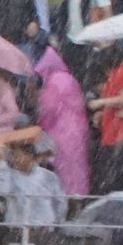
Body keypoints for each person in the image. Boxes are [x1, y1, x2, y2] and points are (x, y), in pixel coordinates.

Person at [0, 132, 67, 245]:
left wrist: (57, 224)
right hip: (16, 230)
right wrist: (1, 161)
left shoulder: (49, 176)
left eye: (18, 155)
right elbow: (3, 191)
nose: (15, 159)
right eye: (13, 155)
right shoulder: (8, 174)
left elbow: (60, 202)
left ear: (30, 156)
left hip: (43, 231)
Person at [34, 47, 90, 196]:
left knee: (63, 169)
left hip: (60, 131)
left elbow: (49, 109)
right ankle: (79, 197)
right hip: (77, 131)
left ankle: (66, 199)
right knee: (77, 167)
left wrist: (42, 124)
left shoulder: (52, 82)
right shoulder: (70, 79)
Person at [86, 48, 123, 193]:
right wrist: (103, 113)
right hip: (111, 134)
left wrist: (100, 102)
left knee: (116, 180)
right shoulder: (114, 76)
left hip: (120, 134)